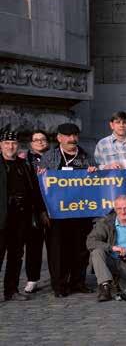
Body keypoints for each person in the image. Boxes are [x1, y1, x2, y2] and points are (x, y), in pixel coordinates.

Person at [38, 123, 98, 297]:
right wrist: (43, 211)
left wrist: (95, 173)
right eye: (68, 136)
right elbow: (41, 187)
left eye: (75, 135)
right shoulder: (50, 157)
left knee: (80, 249)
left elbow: (97, 184)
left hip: (81, 212)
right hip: (57, 214)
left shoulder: (86, 156)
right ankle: (59, 285)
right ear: (59, 138)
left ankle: (78, 282)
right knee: (58, 251)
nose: (72, 139)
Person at [0, 129, 46, 301]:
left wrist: (41, 211)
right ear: (1, 145)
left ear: (18, 145)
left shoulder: (24, 166)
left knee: (16, 256)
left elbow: (35, 191)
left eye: (13, 143)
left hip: (20, 217)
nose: (10, 146)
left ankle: (11, 290)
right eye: (6, 143)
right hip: (2, 217)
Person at [23, 130, 49, 294]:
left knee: (55, 245)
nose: (40, 142)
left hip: (53, 206)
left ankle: (59, 276)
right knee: (33, 245)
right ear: (31, 143)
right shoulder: (25, 159)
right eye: (36, 140)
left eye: (43, 139)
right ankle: (32, 278)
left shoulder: (54, 157)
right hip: (33, 207)